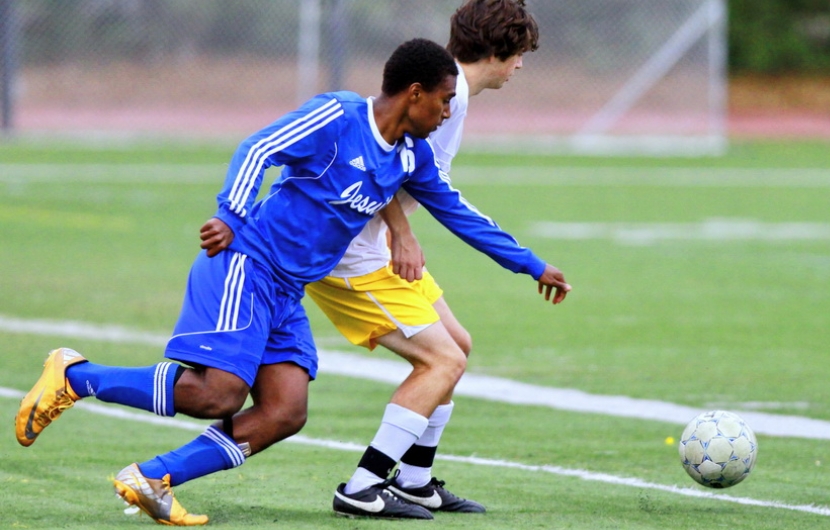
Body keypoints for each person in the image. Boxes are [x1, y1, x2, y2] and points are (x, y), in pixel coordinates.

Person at [15, 37, 568, 525]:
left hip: (286, 290)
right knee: (218, 393)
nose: (450, 112)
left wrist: (532, 264)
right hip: (245, 264)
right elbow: (259, 148)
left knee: (285, 411)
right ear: (416, 93)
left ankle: (151, 478)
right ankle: (76, 376)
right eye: (446, 100)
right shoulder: (338, 117)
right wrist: (231, 214)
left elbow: (459, 212)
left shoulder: (410, 156)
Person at [305, 0, 545, 519]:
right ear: (499, 49)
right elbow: (378, 148)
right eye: (520, 52)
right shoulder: (446, 92)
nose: (522, 65)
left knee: (458, 345)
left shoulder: (451, 87)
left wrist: (527, 261)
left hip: (379, 247)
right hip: (351, 253)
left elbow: (419, 175)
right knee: (443, 360)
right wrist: (402, 229)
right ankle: (363, 484)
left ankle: (413, 481)